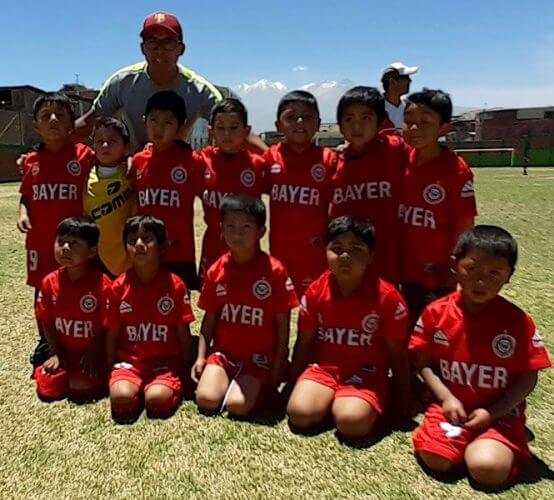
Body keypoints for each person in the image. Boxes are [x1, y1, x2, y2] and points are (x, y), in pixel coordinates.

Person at [410, 225, 551, 489]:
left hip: (499, 415)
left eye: (494, 273)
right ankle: (457, 444)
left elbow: (528, 378)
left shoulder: (517, 322)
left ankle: (494, 448)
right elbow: (424, 366)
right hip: (451, 410)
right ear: (455, 265)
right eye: (472, 269)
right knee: (437, 460)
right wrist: (446, 397)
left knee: (486, 469)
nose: (481, 280)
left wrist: (493, 412)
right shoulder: (435, 313)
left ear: (509, 276)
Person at [286, 216, 411, 441]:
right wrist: (292, 384)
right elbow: (304, 341)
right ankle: (332, 401)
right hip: (325, 370)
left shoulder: (388, 297)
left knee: (351, 423)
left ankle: (361, 403)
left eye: (356, 249)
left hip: (366, 373)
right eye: (337, 248)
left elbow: (397, 352)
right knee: (299, 415)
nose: (345, 256)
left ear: (371, 255)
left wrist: (404, 400)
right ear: (325, 252)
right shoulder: (315, 291)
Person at [75, 11, 266, 153]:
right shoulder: (122, 82)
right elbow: (89, 122)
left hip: (179, 169)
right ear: (143, 48)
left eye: (168, 43)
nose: (160, 51)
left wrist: (275, 164)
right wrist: (50, 145)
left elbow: (237, 128)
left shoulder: (199, 90)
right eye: (152, 43)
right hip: (136, 170)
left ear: (181, 49)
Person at [192, 194, 298, 418]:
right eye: (230, 226)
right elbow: (209, 319)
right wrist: (201, 357)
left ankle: (253, 387)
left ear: (261, 231)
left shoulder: (275, 271)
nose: (237, 233)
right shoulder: (216, 270)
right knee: (206, 399)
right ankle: (226, 379)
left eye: (246, 227)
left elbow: (283, 326)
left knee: (237, 406)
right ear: (221, 228)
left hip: (258, 359)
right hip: (224, 355)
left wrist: (279, 366)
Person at [17, 93, 95, 369]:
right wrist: (23, 213)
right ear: (35, 126)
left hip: (76, 242)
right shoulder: (30, 161)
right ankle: (46, 341)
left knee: (79, 287)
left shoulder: (85, 155)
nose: (53, 120)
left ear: (72, 124)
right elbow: (26, 196)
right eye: (45, 116)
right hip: (39, 242)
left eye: (60, 115)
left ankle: (83, 338)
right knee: (43, 292)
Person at [106, 215, 195, 423]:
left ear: (162, 246)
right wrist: (108, 369)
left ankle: (160, 389)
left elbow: (183, 332)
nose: (138, 245)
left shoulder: (175, 285)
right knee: (121, 398)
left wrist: (186, 368)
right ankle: (134, 390)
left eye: (146, 239)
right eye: (131, 240)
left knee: (157, 401)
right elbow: (112, 332)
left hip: (164, 364)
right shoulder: (118, 286)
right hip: (130, 362)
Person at [399, 89, 477, 322]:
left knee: (433, 329)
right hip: (402, 268)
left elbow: (464, 224)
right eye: (409, 122)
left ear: (444, 128)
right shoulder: (399, 160)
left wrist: (456, 266)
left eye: (424, 122)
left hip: (437, 273)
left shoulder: (456, 170)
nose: (414, 128)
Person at [330, 86, 405, 284]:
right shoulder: (334, 162)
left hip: (387, 260)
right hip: (346, 264)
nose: (357, 126)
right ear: (340, 125)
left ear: (380, 121)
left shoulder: (396, 150)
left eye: (366, 118)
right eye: (349, 119)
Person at [264, 90, 336, 296]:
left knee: (315, 302)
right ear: (278, 126)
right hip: (280, 251)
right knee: (280, 305)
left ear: (318, 123)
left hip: (316, 253)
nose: (299, 122)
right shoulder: (271, 158)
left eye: (307, 117)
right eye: (290, 117)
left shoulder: (329, 160)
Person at [130, 90, 203, 290]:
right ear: (144, 121)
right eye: (153, 120)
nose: (159, 128)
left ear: (180, 126)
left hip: (179, 253)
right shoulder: (137, 161)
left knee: (179, 314)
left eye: (168, 122)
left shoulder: (192, 161)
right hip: (144, 250)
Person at [33, 217, 111, 402]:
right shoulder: (49, 282)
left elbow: (108, 326)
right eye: (61, 242)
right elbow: (47, 321)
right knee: (48, 389)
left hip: (91, 353)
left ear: (91, 252)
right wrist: (55, 352)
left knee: (79, 388)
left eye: (74, 243)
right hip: (64, 351)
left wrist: (94, 352)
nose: (65, 248)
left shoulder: (103, 284)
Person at [197, 98, 266, 282]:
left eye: (234, 128)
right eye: (220, 128)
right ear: (211, 132)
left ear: (246, 131)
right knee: (211, 306)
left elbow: (286, 171)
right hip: (212, 249)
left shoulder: (258, 165)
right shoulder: (199, 162)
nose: (227, 134)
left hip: (248, 252)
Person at [84, 117, 136, 277]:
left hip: (130, 255)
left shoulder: (132, 172)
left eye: (112, 141)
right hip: (97, 256)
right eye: (99, 141)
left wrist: (132, 159)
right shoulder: (85, 177)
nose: (105, 145)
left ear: (125, 147)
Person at [380, 62, 418, 134]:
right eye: (406, 77)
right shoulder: (375, 108)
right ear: (393, 82)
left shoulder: (408, 107)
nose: (410, 81)